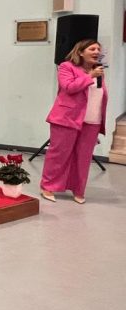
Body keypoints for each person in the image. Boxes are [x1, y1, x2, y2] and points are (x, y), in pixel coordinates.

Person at [40, 39, 107, 204]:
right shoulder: (66, 67)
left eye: (98, 49)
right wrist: (90, 76)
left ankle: (78, 189)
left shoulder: (98, 70)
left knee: (84, 158)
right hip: (66, 118)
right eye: (92, 49)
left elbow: (98, 94)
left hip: (92, 120)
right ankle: (48, 186)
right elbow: (69, 87)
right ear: (81, 52)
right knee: (59, 154)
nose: (97, 52)